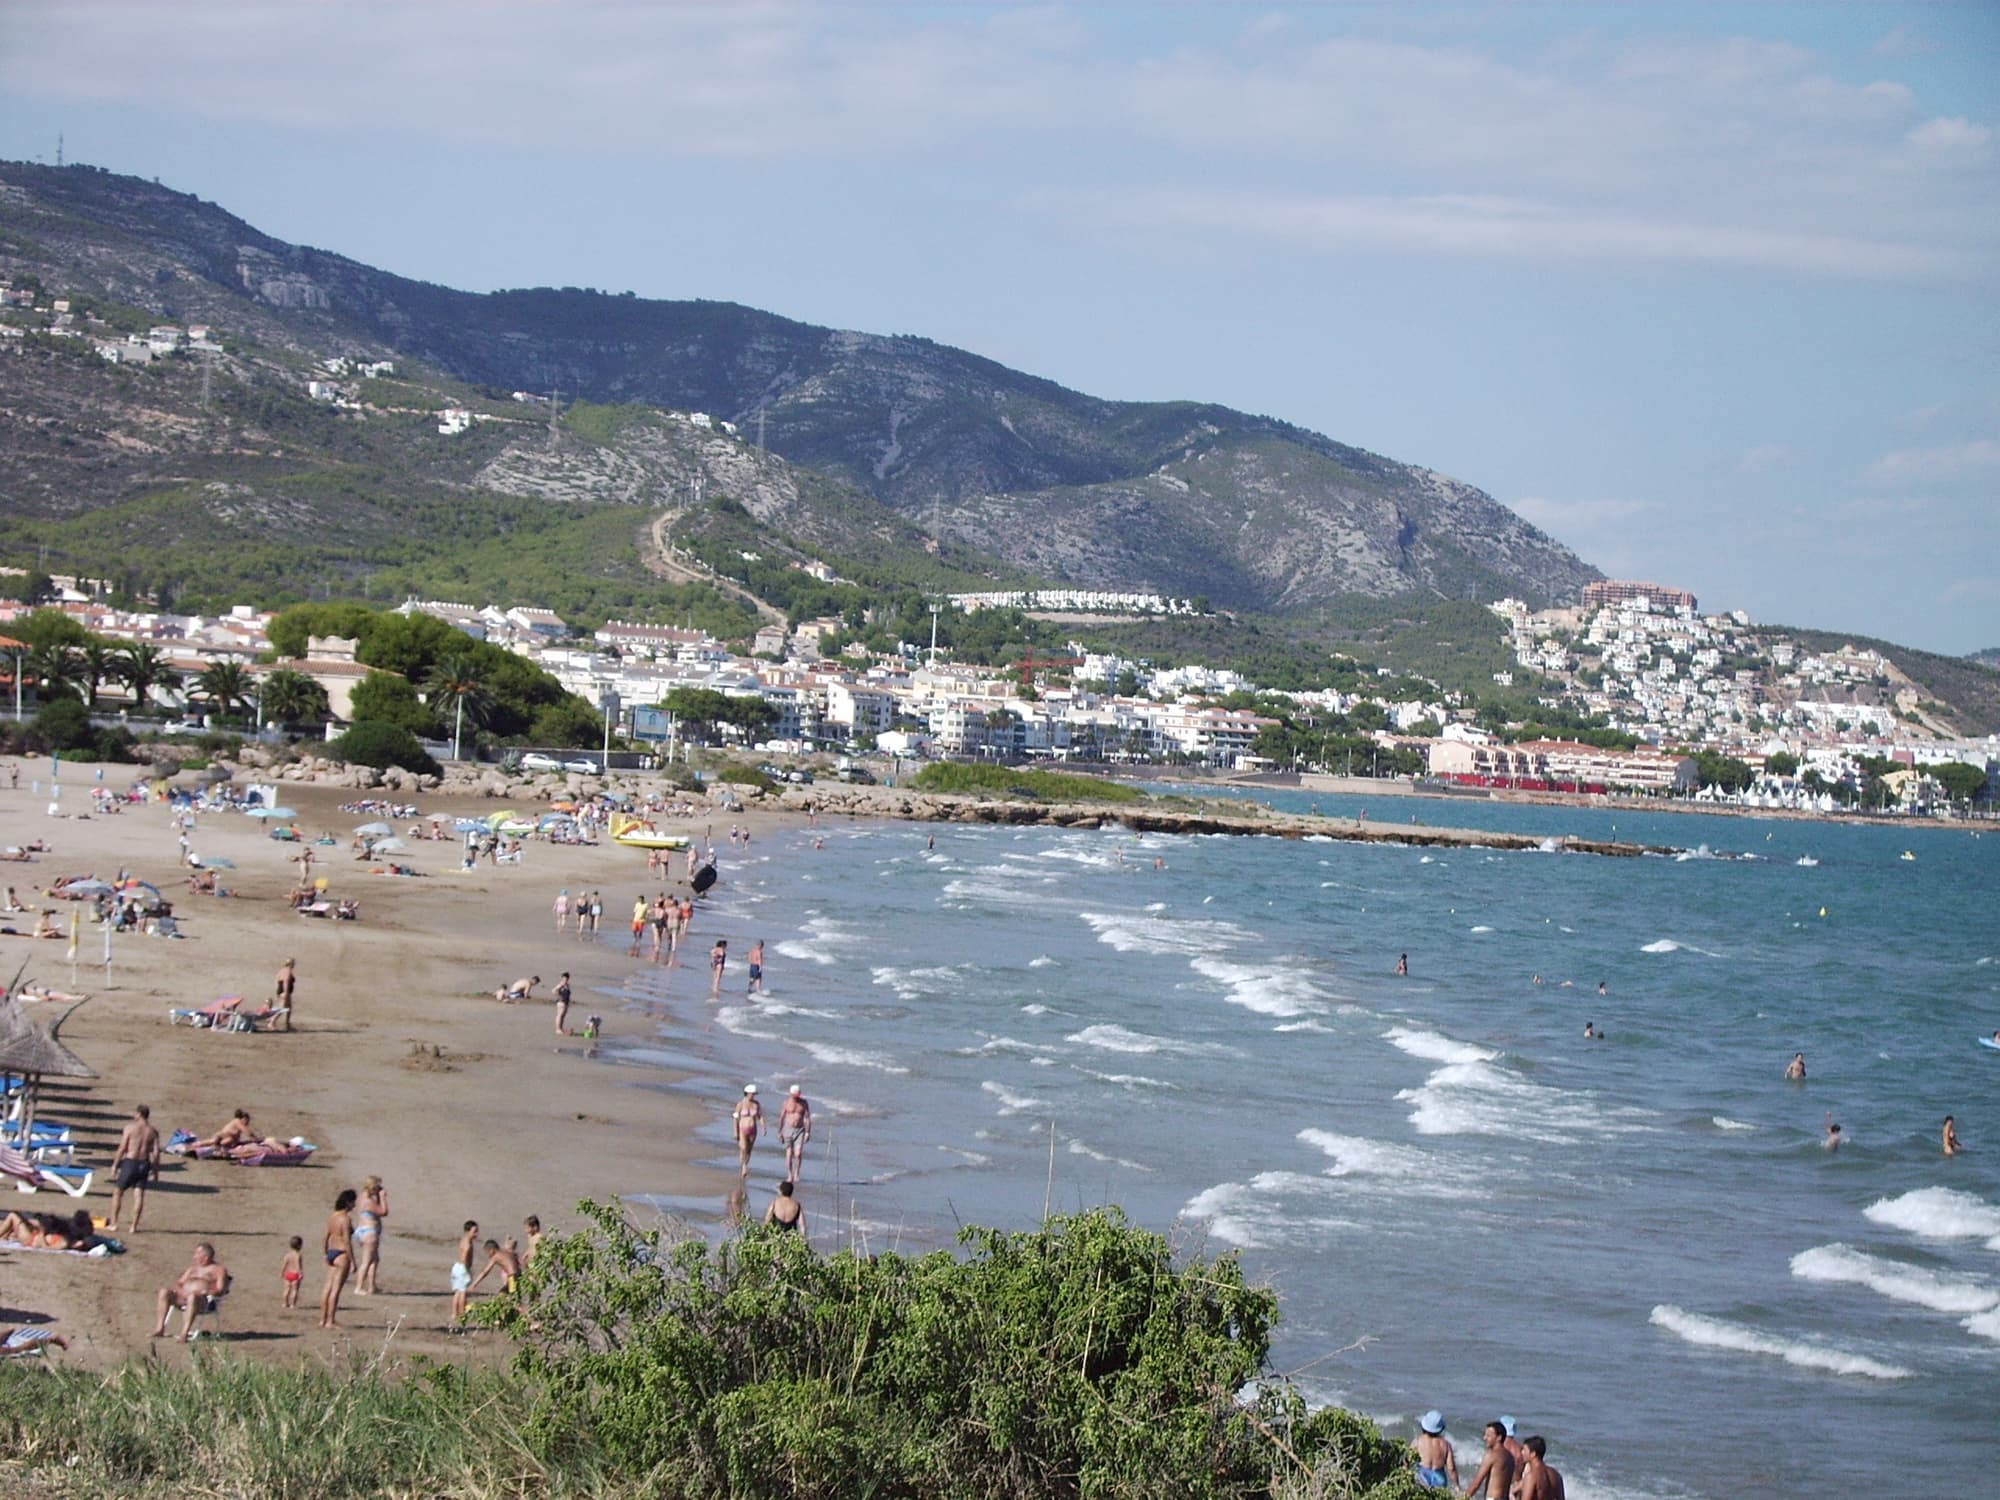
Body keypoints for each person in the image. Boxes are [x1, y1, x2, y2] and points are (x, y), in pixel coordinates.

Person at [152, 1242, 229, 1341]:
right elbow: (179, 1283)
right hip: (183, 1297)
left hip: (203, 1301)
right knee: (164, 1292)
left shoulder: (219, 1270)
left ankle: (184, 1333)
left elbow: (221, 1289)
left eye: (197, 1254)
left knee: (192, 1297)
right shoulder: (192, 1269)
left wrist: (206, 1292)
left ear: (206, 1256)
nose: (194, 1257)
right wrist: (181, 1292)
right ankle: (160, 1328)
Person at [106, 1103, 161, 1232]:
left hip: (131, 1161)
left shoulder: (130, 1128)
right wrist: (156, 1170)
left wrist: (115, 1164)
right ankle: (133, 1226)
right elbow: (156, 1152)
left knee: (118, 1192)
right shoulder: (153, 1131)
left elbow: (123, 1147)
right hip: (144, 1163)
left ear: (138, 1114)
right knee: (139, 1195)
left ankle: (114, 1223)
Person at [320, 1189, 356, 1329]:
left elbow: (326, 1236)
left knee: (327, 1287)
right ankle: (331, 1320)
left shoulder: (332, 1216)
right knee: (336, 1289)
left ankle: (322, 1319)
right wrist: (353, 1261)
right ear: (348, 1203)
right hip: (342, 1253)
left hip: (331, 1251)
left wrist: (325, 1254)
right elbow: (347, 1241)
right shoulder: (345, 1219)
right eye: (353, 1202)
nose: (354, 1205)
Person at [1463, 1419, 1515, 1499]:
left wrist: (1462, 1498)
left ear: (1499, 1438)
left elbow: (1476, 1483)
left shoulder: (1491, 1455)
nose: (1484, 1438)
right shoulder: (1510, 1457)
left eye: (1488, 1436)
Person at [354, 1175, 388, 1295]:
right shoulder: (368, 1201)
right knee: (366, 1261)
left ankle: (372, 1286)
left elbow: (376, 1210)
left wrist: (378, 1197)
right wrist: (383, 1198)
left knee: (375, 1260)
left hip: (364, 1230)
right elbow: (383, 1211)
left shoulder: (364, 1197)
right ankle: (358, 1287)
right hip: (369, 1232)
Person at [1413, 1411, 1457, 1490]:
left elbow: (1407, 1459)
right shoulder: (1446, 1444)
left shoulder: (1418, 1441)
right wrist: (1457, 1486)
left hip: (1422, 1477)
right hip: (1439, 1478)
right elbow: (1451, 1468)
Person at [778, 1084, 813, 1182]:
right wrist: (779, 1132)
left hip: (800, 1130)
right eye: (795, 1095)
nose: (797, 1097)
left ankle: (797, 1172)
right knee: (789, 1153)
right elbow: (782, 1117)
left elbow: (807, 1118)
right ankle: (789, 1174)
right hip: (788, 1129)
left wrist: (808, 1132)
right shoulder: (786, 1103)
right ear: (791, 1094)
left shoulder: (804, 1103)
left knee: (798, 1153)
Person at [1518, 1435, 1565, 1500]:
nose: (1521, 1452)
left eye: (1524, 1450)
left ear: (1533, 1454)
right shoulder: (1556, 1475)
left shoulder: (1531, 1476)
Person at [451, 1220, 480, 1323]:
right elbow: (464, 1257)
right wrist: (467, 1269)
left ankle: (455, 1313)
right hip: (462, 1268)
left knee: (458, 1292)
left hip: (457, 1267)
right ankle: (461, 1313)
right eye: (474, 1231)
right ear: (468, 1231)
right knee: (463, 1292)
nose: (476, 1234)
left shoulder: (464, 1240)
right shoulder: (468, 1243)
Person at [734, 1084, 762, 1177]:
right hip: (742, 1128)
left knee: (749, 1150)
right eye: (752, 1094)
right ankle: (744, 1167)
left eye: (754, 1094)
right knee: (743, 1148)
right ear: (747, 1094)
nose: (753, 1096)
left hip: (753, 1129)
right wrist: (735, 1131)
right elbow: (736, 1118)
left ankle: (745, 1165)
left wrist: (764, 1126)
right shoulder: (740, 1104)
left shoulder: (756, 1104)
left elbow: (760, 1116)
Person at [280, 1236, 304, 1310]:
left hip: (288, 1274)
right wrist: (300, 1273)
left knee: (286, 1289)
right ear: (300, 1245)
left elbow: (284, 1264)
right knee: (294, 1290)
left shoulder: (288, 1255)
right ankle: (292, 1304)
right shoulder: (298, 1255)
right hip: (295, 1274)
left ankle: (284, 1303)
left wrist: (282, 1272)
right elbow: (298, 1265)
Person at [274, 957, 297, 1030]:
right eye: (293, 963)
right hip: (285, 991)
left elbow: (277, 980)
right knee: (282, 1008)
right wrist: (286, 993)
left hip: (282, 991)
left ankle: (287, 1024)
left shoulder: (282, 970)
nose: (294, 965)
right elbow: (286, 981)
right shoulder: (287, 971)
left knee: (289, 1008)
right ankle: (272, 1022)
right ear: (291, 964)